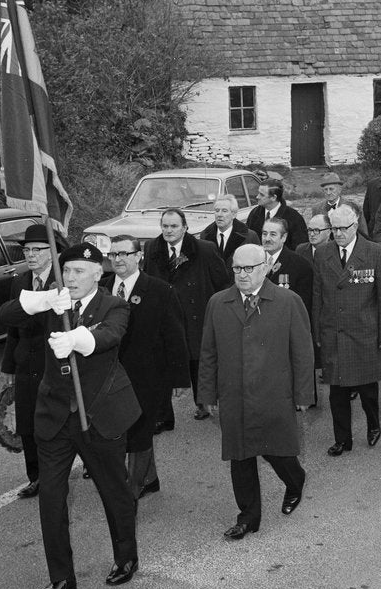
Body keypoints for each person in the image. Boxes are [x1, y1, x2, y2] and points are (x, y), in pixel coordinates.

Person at [0, 243, 140, 589]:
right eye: (68, 271)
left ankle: (126, 557)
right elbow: (6, 315)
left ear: (98, 273)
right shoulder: (53, 301)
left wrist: (76, 338)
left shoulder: (114, 304)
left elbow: (110, 335)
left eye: (79, 271)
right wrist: (41, 302)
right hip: (55, 414)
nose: (72, 278)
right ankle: (61, 576)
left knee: (114, 491)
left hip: (98, 413)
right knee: (51, 498)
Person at [198, 244, 314, 540]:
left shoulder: (288, 301)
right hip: (234, 394)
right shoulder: (217, 302)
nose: (242, 274)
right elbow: (208, 352)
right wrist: (207, 394)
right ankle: (248, 517)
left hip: (274, 392)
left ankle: (295, 480)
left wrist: (303, 396)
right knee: (240, 457)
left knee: (278, 451)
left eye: (249, 268)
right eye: (237, 268)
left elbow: (302, 353)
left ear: (266, 267)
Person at [102, 235, 187, 499]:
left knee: (139, 430)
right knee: (117, 428)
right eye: (113, 254)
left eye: (124, 254)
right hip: (108, 376)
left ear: (139, 256)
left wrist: (179, 379)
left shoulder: (160, 290)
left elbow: (175, 336)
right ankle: (149, 479)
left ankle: (133, 486)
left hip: (147, 376)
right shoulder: (101, 289)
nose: (118, 259)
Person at [313, 206, 381, 456]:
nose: (338, 233)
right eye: (334, 228)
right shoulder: (323, 254)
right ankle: (342, 439)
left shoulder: (375, 253)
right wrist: (317, 334)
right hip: (334, 334)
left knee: (368, 391)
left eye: (343, 228)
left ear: (355, 224)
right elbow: (318, 296)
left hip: (364, 335)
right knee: (336, 393)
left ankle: (373, 425)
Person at [143, 209, 229, 423]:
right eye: (165, 226)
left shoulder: (204, 249)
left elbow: (222, 282)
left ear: (185, 227)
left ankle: (203, 403)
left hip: (194, 315)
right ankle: (163, 416)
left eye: (173, 226)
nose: (168, 230)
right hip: (165, 315)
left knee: (196, 362)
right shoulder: (152, 247)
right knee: (161, 364)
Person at [0, 225, 64, 499]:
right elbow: (13, 326)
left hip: (54, 360)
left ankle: (71, 466)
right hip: (26, 361)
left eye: (37, 250)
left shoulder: (62, 281)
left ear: (53, 252)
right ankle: (36, 476)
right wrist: (9, 366)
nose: (30, 255)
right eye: (26, 250)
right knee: (27, 423)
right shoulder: (20, 281)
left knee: (59, 419)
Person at [261, 217, 314, 318]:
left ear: (284, 237)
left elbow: (302, 307)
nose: (267, 239)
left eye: (273, 234)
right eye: (264, 234)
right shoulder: (252, 260)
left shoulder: (300, 266)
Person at [246, 180, 307, 249]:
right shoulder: (254, 213)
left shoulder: (294, 218)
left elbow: (300, 248)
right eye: (258, 193)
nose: (257, 197)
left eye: (262, 194)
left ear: (273, 197)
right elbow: (247, 239)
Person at [200, 196, 259, 264]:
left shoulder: (250, 237)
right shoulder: (204, 235)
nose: (219, 214)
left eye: (224, 211)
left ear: (234, 214)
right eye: (217, 210)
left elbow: (257, 263)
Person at [313, 173, 368, 237]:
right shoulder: (316, 209)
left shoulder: (353, 207)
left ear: (339, 190)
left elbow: (363, 233)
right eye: (325, 189)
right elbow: (315, 232)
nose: (328, 193)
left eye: (331, 189)